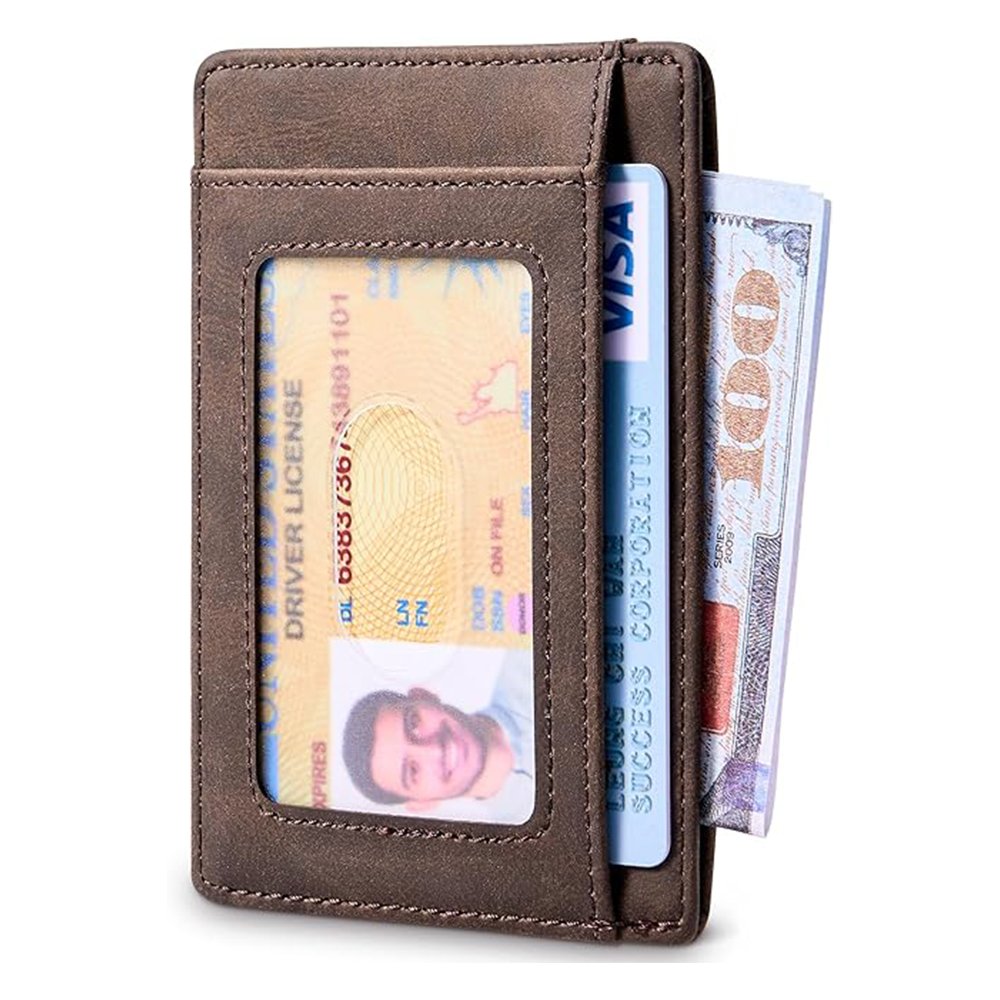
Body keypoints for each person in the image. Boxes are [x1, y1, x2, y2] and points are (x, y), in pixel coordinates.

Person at [342, 652, 533, 819]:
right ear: (422, 804)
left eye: (413, 724)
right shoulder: (517, 846)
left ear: (423, 695)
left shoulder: (530, 654)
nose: (435, 750)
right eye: (413, 771)